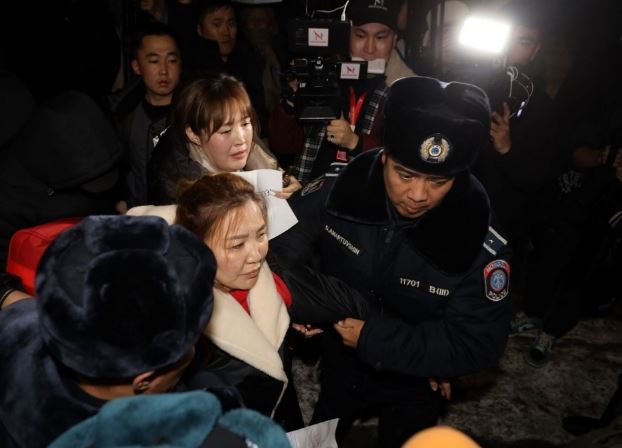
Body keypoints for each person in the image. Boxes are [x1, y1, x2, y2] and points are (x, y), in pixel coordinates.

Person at [269, 76, 513, 447]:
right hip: (340, 363)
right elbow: (279, 247)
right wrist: (295, 306)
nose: (418, 194)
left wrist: (376, 339)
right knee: (321, 437)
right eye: (405, 174)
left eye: (438, 181)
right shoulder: (339, 190)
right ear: (384, 156)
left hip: (415, 379)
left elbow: (478, 341)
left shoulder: (479, 243)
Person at [0, 215, 216, 448]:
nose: (194, 350)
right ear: (145, 381)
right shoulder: (153, 437)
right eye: (187, 346)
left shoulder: (18, 325)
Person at [174, 173, 303, 430]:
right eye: (237, 245)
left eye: (261, 235)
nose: (256, 255)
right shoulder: (185, 325)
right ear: (197, 247)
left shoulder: (271, 283)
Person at [268, 0, 415, 183]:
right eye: (360, 36)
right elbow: (282, 144)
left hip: (364, 195)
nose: (369, 49)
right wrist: (290, 103)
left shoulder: (407, 92)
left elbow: (404, 157)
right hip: (307, 190)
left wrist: (356, 142)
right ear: (346, 36)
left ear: (394, 40)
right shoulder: (324, 75)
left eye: (380, 37)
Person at [0, 90, 122, 309]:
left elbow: (102, 207)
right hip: (26, 290)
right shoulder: (8, 189)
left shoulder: (90, 160)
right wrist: (10, 297)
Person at [147, 73, 300, 205]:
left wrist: (289, 188)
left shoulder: (255, 152)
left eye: (245, 123)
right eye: (225, 131)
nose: (241, 140)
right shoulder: (187, 201)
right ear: (194, 135)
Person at [108, 23, 182, 208]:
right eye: (154, 61)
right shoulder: (124, 114)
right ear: (136, 66)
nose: (164, 70)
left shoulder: (195, 112)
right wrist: (122, 199)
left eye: (172, 60)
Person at [185, 0, 269, 134]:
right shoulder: (193, 72)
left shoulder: (249, 63)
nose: (226, 32)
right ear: (200, 29)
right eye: (217, 24)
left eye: (231, 23)